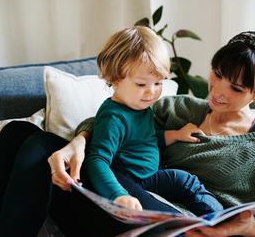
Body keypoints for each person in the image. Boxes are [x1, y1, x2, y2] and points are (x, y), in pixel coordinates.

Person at [0, 30, 255, 237]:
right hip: (127, 201)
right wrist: (78, 141)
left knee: (35, 143)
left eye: (236, 88)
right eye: (217, 73)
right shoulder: (183, 108)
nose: (217, 91)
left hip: (182, 224)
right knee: (18, 133)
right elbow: (119, 116)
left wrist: (251, 229)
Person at [84, 26, 222, 215]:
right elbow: (97, 159)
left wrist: (175, 135)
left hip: (149, 173)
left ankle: (219, 218)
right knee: (185, 181)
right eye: (141, 84)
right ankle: (223, 221)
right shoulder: (113, 117)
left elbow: (143, 139)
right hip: (136, 180)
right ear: (114, 79)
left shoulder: (140, 107)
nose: (151, 91)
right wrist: (118, 195)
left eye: (158, 83)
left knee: (189, 183)